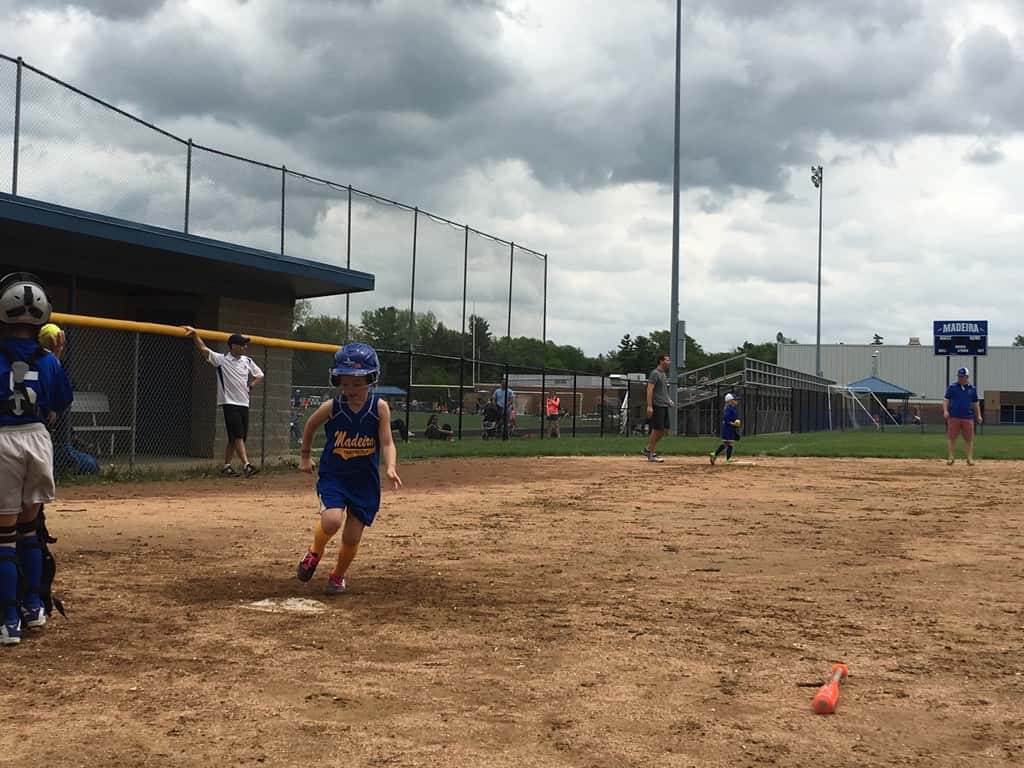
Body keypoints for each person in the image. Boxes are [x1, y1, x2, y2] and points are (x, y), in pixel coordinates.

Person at [0, 272, 73, 645]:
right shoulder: (48, 361)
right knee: (29, 529)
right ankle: (34, 607)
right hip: (36, 440)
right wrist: (55, 358)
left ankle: (8, 619)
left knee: (4, 536)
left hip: (3, 442)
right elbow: (60, 401)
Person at [296, 342, 401, 595]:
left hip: (364, 482)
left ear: (371, 379)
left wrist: (390, 467)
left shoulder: (379, 408)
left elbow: (387, 442)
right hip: (335, 477)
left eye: (357, 384)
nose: (350, 390)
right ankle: (314, 553)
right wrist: (305, 456)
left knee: (352, 537)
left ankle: (337, 575)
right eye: (345, 383)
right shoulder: (333, 407)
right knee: (331, 521)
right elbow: (309, 426)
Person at [184, 327, 264, 477]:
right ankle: (246, 465)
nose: (245, 347)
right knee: (238, 435)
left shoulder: (247, 361)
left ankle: (226, 466)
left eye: (245, 344)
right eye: (242, 344)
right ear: (233, 346)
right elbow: (204, 349)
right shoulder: (222, 360)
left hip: (244, 403)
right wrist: (195, 335)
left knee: (235, 437)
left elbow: (259, 374)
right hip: (229, 403)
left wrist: (252, 384)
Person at [943, 366, 982, 466]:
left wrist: (979, 415)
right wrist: (945, 411)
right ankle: (951, 457)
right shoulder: (952, 387)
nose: (960, 378)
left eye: (962, 376)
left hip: (968, 417)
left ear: (967, 377)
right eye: (959, 376)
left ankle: (969, 458)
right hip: (954, 416)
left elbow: (975, 403)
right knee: (952, 438)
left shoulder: (972, 389)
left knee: (968, 439)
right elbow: (946, 400)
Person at [642, 353, 674, 463]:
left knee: (664, 430)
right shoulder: (655, 373)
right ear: (661, 361)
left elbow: (663, 391)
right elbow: (649, 389)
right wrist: (650, 406)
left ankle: (648, 449)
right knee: (657, 429)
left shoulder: (663, 374)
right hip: (657, 405)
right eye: (667, 360)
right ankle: (651, 453)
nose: (669, 362)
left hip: (664, 405)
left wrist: (668, 400)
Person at [709, 393, 742, 465]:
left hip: (729, 428)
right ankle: (727, 459)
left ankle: (715, 454)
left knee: (726, 443)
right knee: (730, 443)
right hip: (728, 429)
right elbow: (726, 419)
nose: (737, 401)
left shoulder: (731, 409)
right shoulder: (729, 409)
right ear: (730, 401)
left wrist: (735, 424)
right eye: (735, 399)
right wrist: (734, 424)